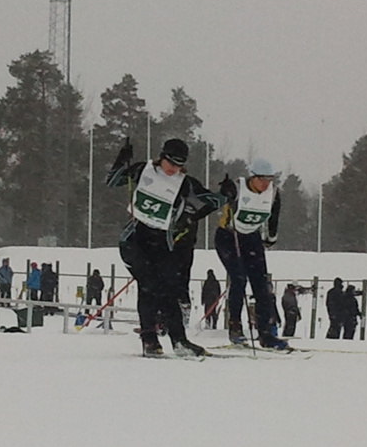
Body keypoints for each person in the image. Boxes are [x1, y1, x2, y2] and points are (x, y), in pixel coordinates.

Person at [107, 137, 223, 357]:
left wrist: (224, 195)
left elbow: (212, 201)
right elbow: (113, 181)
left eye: (179, 165)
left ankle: (179, 341)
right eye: (170, 163)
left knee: (169, 290)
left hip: (161, 241)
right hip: (134, 239)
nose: (173, 169)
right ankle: (149, 340)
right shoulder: (143, 170)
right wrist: (122, 160)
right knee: (148, 286)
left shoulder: (185, 183)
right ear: (162, 157)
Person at [214, 158, 288, 350]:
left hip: (251, 237)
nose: (265, 184)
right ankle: (235, 327)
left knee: (261, 284)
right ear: (252, 177)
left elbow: (274, 216)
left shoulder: (273, 193)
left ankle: (266, 333)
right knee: (239, 278)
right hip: (229, 236)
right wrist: (224, 193)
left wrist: (271, 238)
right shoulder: (238, 188)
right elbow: (216, 201)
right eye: (261, 179)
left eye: (269, 179)